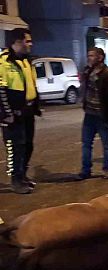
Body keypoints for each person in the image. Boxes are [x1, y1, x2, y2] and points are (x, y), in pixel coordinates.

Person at [0, 28, 41, 194]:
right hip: (12, 114)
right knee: (14, 147)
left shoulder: (26, 60)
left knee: (28, 145)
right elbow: (0, 90)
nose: (30, 44)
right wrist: (6, 113)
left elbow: (31, 84)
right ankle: (15, 180)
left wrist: (36, 105)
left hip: (27, 111)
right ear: (16, 42)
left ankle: (22, 175)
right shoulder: (4, 62)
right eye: (27, 41)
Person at [78, 47, 108, 180]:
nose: (89, 58)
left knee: (106, 144)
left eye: (92, 55)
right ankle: (85, 171)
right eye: (88, 55)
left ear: (100, 57)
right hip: (89, 114)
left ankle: (107, 169)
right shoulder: (88, 71)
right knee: (86, 144)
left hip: (102, 116)